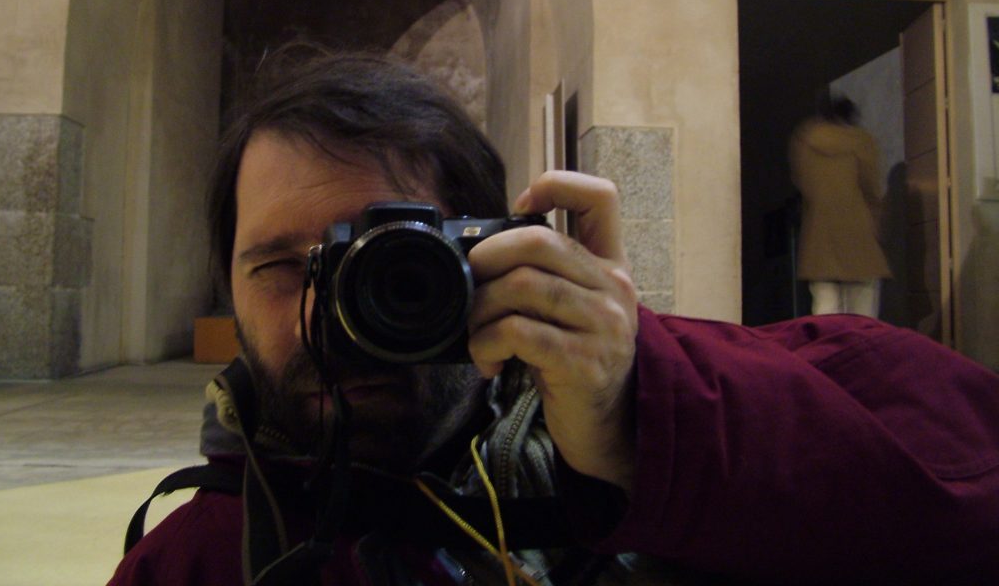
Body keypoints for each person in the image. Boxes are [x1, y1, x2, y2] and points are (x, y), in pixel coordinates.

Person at [109, 47, 999, 585]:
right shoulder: (188, 566)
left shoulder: (633, 433)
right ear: (228, 287)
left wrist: (646, 411)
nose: (330, 309)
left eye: (390, 263)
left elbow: (964, 495)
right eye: (280, 268)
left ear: (487, 251)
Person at [789, 94, 891, 317]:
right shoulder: (861, 141)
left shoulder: (805, 141)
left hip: (820, 237)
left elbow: (802, 184)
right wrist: (878, 227)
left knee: (825, 313)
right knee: (862, 316)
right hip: (858, 235)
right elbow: (871, 189)